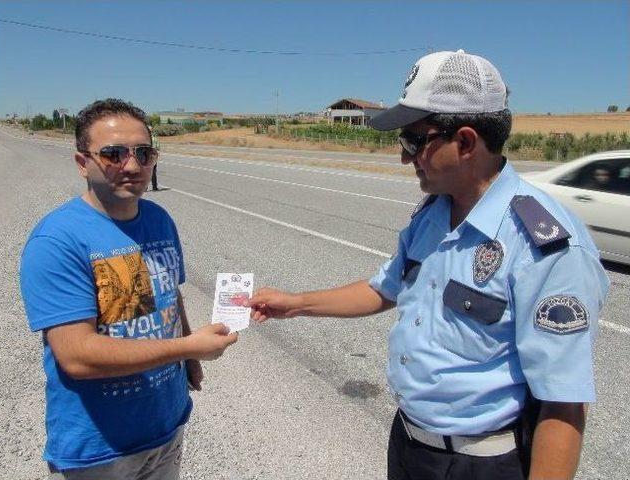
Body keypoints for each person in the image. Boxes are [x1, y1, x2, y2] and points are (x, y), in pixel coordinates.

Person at [249, 50, 609, 480]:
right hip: (409, 444)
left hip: (482, 463)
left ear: (466, 142)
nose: (405, 157)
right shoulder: (434, 213)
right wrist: (296, 303)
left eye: (414, 141)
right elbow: (385, 287)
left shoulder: (542, 245)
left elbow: (563, 402)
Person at [20, 98, 238, 479]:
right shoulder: (58, 240)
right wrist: (188, 347)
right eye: (113, 154)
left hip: (166, 425)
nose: (133, 165)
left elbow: (171, 293)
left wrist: (188, 357)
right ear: (82, 163)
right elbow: (77, 356)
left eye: (144, 152)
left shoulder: (158, 219)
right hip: (101, 450)